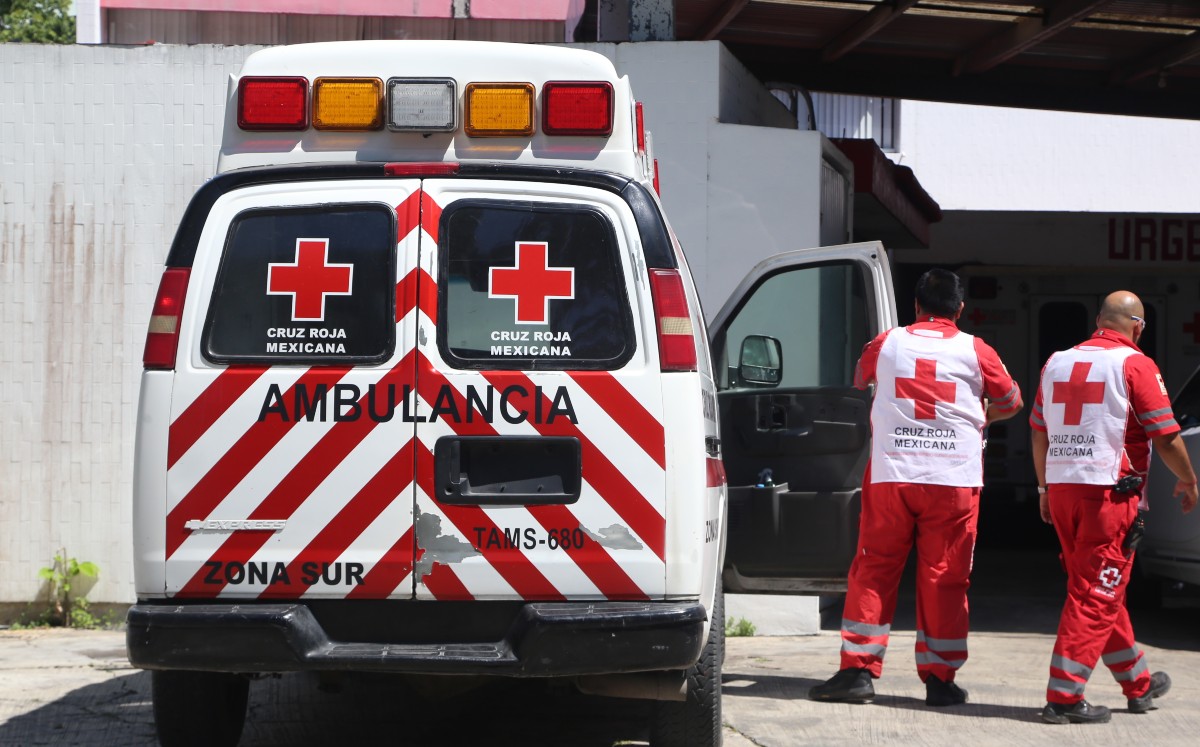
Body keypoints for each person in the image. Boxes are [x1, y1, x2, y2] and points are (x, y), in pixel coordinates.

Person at [809, 268, 1022, 706]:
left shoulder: (886, 342)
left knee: (874, 568)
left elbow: (859, 381)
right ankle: (940, 681)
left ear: (917, 306)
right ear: (959, 309)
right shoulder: (977, 350)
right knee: (946, 578)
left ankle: (857, 673)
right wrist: (978, 417)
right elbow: (1012, 401)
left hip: (893, 475)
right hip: (954, 480)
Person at [1030, 290, 1198, 725]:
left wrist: (1044, 489)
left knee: (1097, 585)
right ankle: (1064, 697)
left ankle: (1137, 684)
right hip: (1108, 495)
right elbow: (1164, 434)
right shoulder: (1135, 363)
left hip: (1064, 491)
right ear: (1138, 327)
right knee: (1096, 593)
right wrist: (1188, 477)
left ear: (1099, 320)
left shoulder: (1056, 362)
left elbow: (1038, 432)